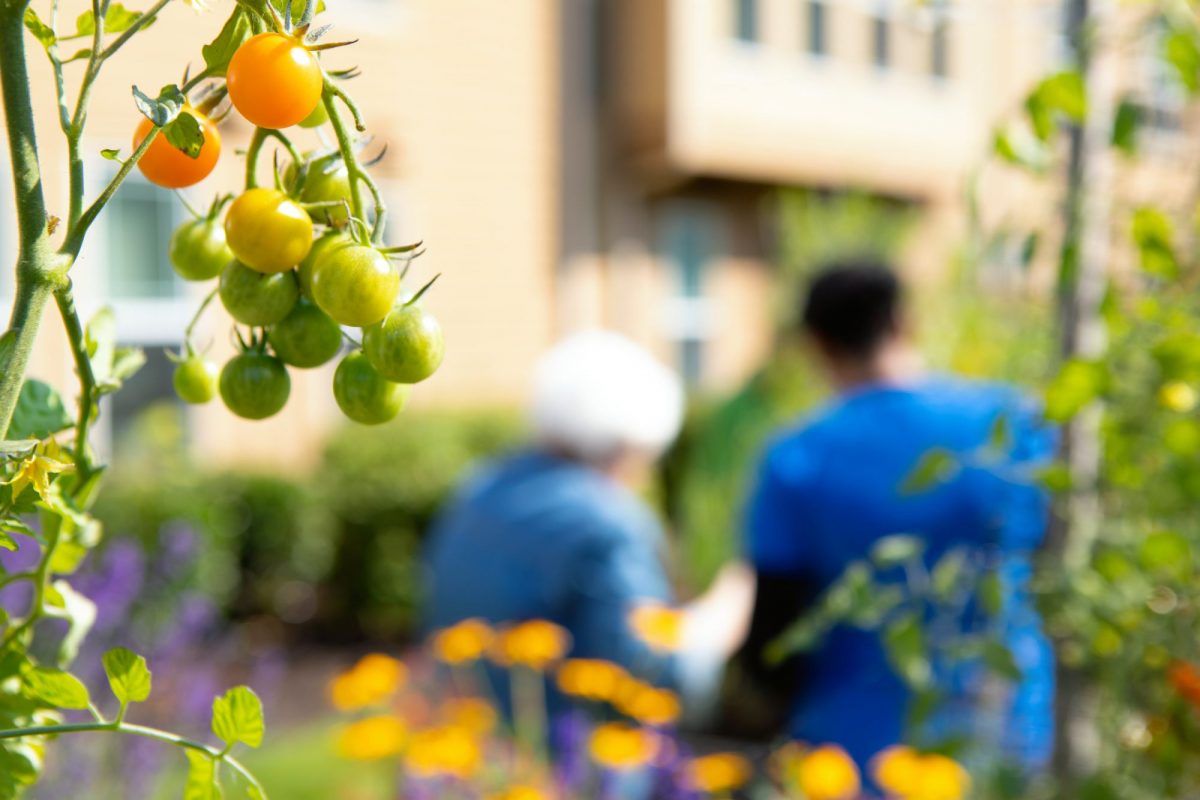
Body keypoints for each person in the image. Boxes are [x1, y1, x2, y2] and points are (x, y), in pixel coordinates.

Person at [738, 261, 1055, 770]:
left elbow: (773, 636)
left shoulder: (798, 456)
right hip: (1005, 731)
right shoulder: (1016, 423)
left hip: (854, 750)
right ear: (904, 322)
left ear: (816, 345)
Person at [424, 330, 752, 704]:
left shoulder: (481, 487)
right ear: (627, 447)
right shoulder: (609, 524)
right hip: (557, 751)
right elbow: (653, 670)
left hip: (463, 734)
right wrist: (724, 613)